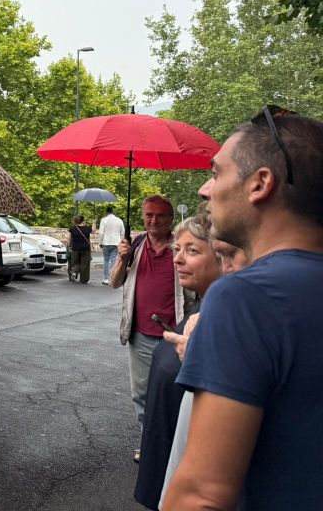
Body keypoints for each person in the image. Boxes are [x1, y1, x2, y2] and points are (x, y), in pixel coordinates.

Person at [164, 110, 323, 510]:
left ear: (260, 184)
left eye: (216, 173)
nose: (205, 189)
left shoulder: (246, 298)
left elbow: (203, 495)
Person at [133, 209, 222, 509]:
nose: (177, 259)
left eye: (192, 250)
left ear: (224, 255)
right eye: (177, 250)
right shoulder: (203, 306)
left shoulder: (222, 319)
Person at [109, 195, 182, 463]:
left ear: (170, 219)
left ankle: (174, 444)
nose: (154, 220)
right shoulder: (135, 246)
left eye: (160, 215)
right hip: (139, 335)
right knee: (141, 394)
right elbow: (115, 283)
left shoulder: (181, 247)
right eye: (149, 215)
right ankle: (147, 442)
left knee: (175, 392)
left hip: (174, 336)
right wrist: (121, 259)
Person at [98, 205, 125, 284]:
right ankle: (112, 278)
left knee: (106, 260)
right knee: (114, 260)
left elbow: (101, 232)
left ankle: (105, 279)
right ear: (113, 212)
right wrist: (121, 241)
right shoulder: (119, 220)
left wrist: (100, 242)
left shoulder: (104, 220)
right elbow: (122, 232)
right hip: (116, 243)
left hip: (106, 243)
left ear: (106, 212)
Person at [67, 214, 92, 283]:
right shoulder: (87, 228)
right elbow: (94, 230)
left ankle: (74, 272)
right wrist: (94, 222)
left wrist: (69, 246)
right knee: (85, 265)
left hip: (75, 248)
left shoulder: (72, 228)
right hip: (85, 249)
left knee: (75, 262)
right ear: (82, 220)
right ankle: (84, 279)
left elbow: (68, 238)